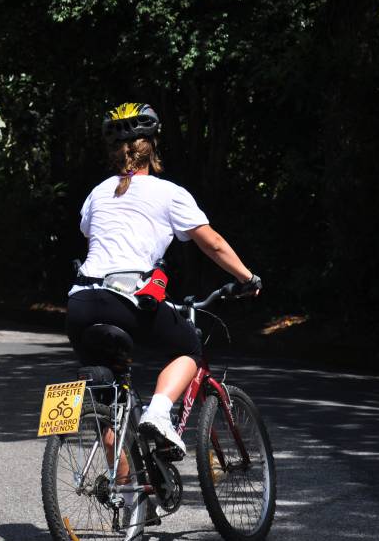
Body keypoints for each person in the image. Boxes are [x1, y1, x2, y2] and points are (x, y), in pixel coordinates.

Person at [68, 102, 261, 456]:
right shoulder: (168, 193)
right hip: (126, 298)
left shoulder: (97, 193)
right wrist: (247, 277)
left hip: (79, 303)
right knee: (188, 346)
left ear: (115, 153)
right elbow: (213, 243)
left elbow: (95, 240)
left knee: (110, 409)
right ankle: (159, 414)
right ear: (152, 147)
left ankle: (127, 500)